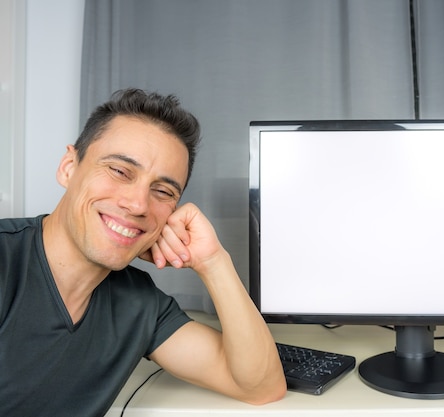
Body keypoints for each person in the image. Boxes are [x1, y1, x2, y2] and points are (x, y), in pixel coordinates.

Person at [0, 88, 287, 416]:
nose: (137, 205)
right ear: (69, 167)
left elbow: (261, 386)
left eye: (162, 191)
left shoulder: (140, 304)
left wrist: (213, 262)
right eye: (120, 171)